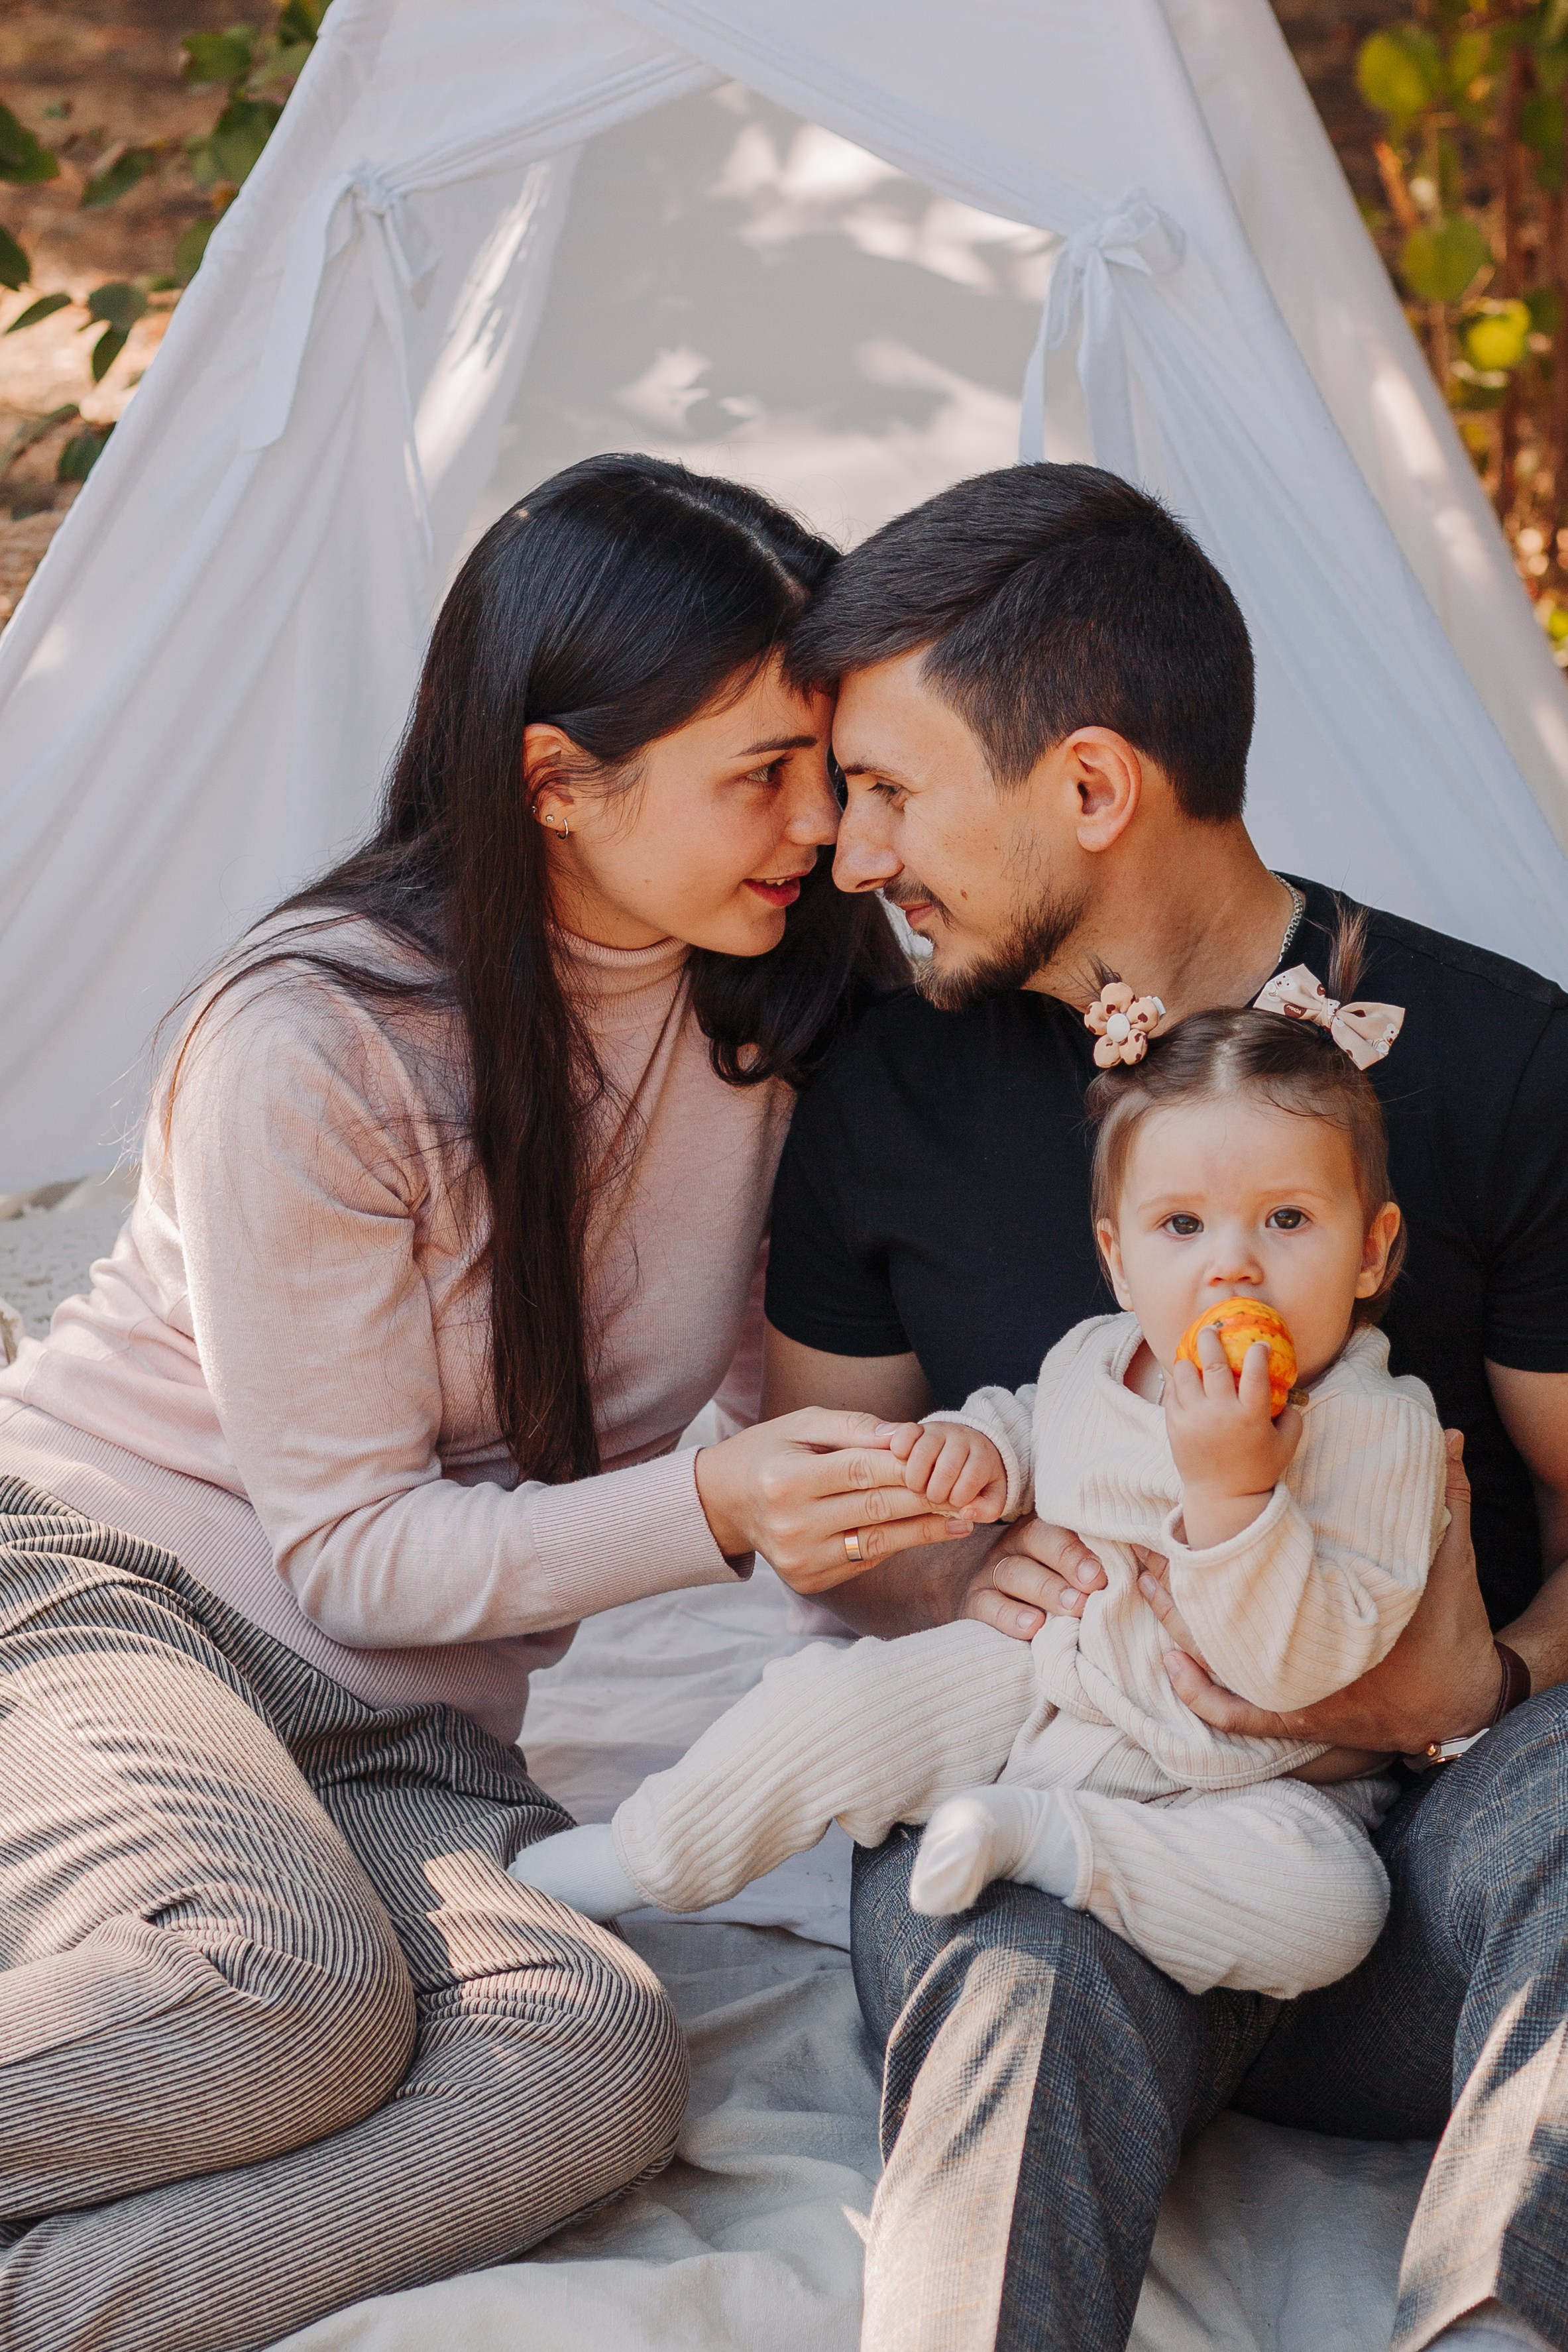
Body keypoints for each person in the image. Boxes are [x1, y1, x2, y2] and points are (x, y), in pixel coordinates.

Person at [0, 455, 964, 2352]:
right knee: (279, 1990)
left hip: (410, 1731)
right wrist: (717, 1507)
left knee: (585, 2064)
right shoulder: (317, 1035)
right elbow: (351, 1549)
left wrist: (988, 1559)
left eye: (828, 768)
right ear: (553, 781)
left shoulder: (784, 1020)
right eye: (755, 773)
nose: (819, 830)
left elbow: (832, 1453)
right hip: (116, 1592)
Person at [761, 463, 1568, 2352]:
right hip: (1077, 1825)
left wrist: (1487, 1682)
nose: (850, 852)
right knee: (998, 1901)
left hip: (1426, 1876)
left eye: (886, 790)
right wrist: (948, 1568)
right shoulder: (878, 1094)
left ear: (1092, 788)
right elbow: (835, 1540)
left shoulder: (1496, 1057)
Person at [516, 962, 1448, 2009]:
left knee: (1329, 1910)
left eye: (1285, 1220)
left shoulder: (1381, 1427)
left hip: (1250, 1774)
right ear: (1117, 1258)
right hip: (1050, 1680)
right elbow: (1027, 1419)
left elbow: (1301, 1669)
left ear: (1370, 1251)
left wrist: (1233, 1496)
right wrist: (975, 1455)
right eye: (1181, 1227)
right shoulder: (1101, 1355)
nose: (1230, 1266)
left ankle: (1053, 1841)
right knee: (837, 1700)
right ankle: (647, 1854)